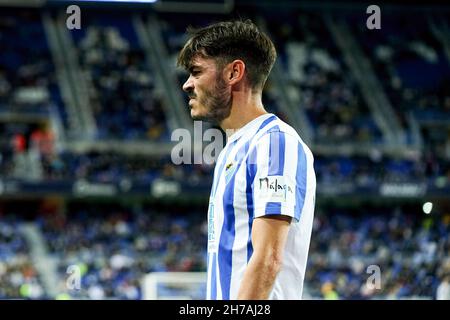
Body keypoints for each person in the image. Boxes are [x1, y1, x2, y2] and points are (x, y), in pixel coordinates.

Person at [177, 19, 316, 300]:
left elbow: (268, 259)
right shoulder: (231, 150)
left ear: (234, 73)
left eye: (196, 72)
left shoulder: (275, 143)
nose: (186, 85)